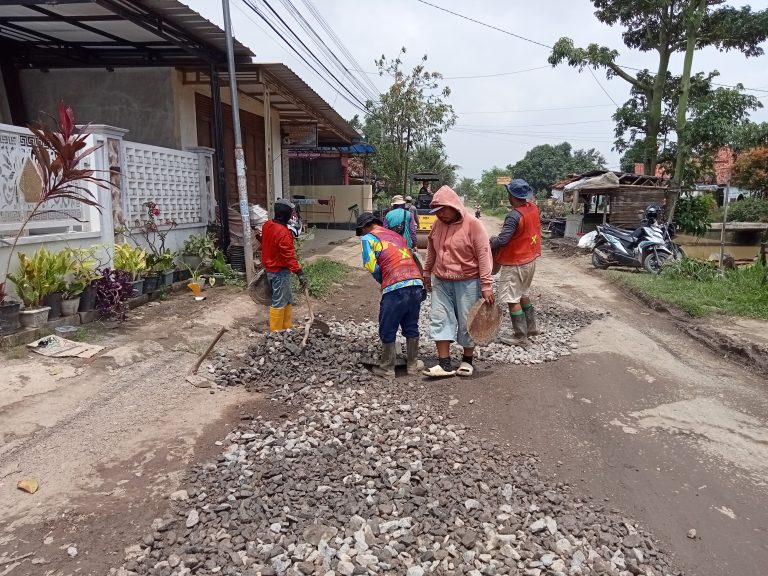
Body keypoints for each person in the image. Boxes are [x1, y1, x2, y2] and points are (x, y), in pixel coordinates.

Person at [422, 186, 494, 378]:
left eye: (443, 210)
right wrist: (426, 272)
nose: (440, 215)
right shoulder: (438, 224)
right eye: (436, 211)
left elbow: (484, 256)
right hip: (441, 281)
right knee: (439, 318)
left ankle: (467, 360)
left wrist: (486, 286)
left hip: (468, 281)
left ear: (454, 206)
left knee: (467, 321)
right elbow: (432, 251)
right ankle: (444, 364)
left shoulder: (473, 225)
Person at [356, 212, 425, 378]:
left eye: (362, 231)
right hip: (415, 281)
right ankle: (413, 365)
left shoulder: (368, 238)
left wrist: (383, 280)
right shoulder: (395, 235)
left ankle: (387, 368)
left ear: (365, 227)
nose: (363, 234)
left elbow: (371, 265)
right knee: (411, 323)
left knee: (388, 324)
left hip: (396, 285)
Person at [489, 179, 542, 348]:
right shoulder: (533, 208)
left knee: (512, 299)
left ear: (512, 195)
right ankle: (531, 328)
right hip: (530, 259)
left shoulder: (514, 216)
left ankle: (520, 336)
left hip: (515, 262)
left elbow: (503, 240)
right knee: (523, 293)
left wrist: (488, 244)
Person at [261, 198, 307, 332]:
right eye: (290, 213)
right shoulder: (284, 233)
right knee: (279, 302)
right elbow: (289, 257)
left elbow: (265, 241)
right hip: (279, 271)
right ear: (286, 215)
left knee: (287, 299)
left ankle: (286, 327)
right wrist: (300, 273)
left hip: (271, 269)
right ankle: (276, 332)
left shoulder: (267, 225)